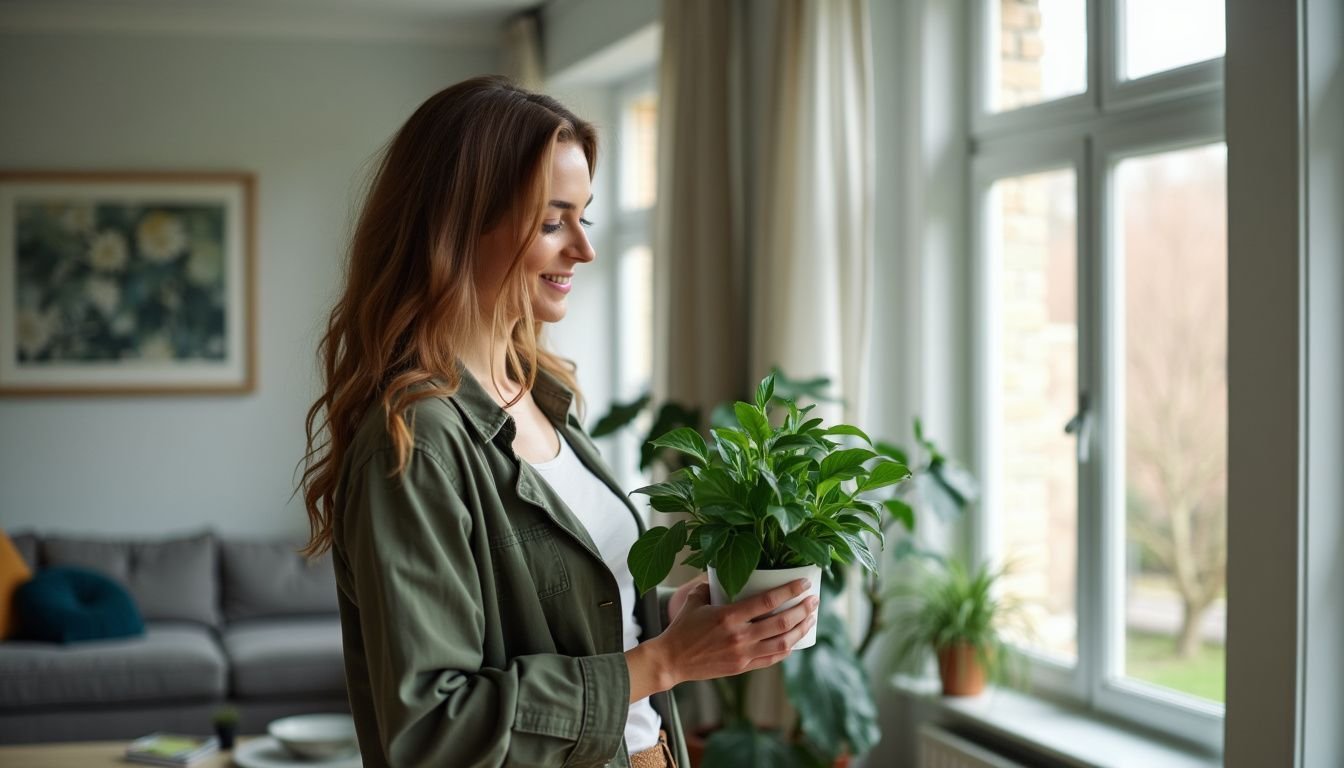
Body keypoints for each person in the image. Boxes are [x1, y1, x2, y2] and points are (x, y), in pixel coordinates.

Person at [298, 75, 818, 768]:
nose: (583, 248)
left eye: (585, 217)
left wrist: (665, 618)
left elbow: (539, 613)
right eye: (551, 222)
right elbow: (432, 730)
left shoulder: (538, 395)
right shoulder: (418, 443)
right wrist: (663, 663)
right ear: (455, 229)